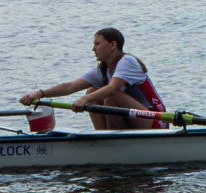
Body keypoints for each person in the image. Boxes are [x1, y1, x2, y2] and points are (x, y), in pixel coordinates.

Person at [19, 27, 166, 130]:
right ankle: (103, 136)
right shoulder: (102, 69)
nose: (93, 49)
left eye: (97, 44)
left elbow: (112, 88)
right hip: (137, 120)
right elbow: (70, 86)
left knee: (110, 95)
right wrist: (40, 93)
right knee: (92, 91)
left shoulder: (127, 61)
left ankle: (110, 139)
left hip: (156, 121)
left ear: (113, 45)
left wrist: (84, 100)